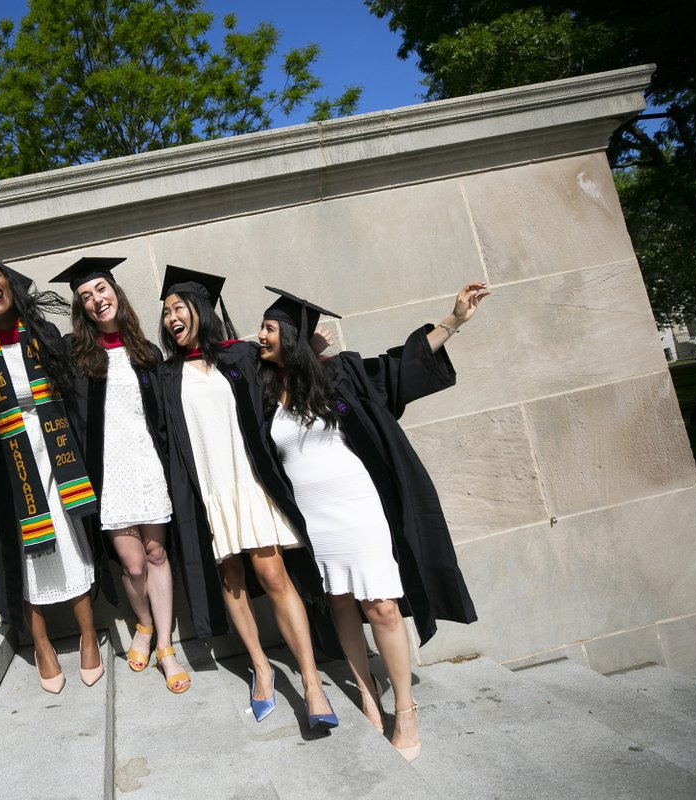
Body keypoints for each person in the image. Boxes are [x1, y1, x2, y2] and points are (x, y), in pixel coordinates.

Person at [255, 282, 488, 761]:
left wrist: (454, 319)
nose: (260, 335)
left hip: (358, 510)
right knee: (340, 604)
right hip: (315, 520)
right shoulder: (263, 392)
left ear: (292, 338)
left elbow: (399, 368)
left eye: (269, 327)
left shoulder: (339, 377)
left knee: (380, 607)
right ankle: (366, 690)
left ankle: (406, 708)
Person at [158, 265, 338, 728]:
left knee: (274, 575)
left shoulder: (239, 356)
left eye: (179, 308)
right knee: (231, 580)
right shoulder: (164, 376)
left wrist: (314, 351)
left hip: (249, 484)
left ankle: (313, 685)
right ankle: (261, 668)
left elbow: (287, 368)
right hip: (208, 492)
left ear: (200, 310)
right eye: (165, 313)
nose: (171, 318)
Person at [0, 253, 116, 694]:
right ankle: (40, 644)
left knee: (70, 537)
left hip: (57, 452)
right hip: (10, 462)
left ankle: (87, 635)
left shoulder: (44, 335)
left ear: (10, 287)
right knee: (25, 553)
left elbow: (76, 394)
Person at [51, 256, 190, 694]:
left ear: (116, 293)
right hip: (108, 472)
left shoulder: (145, 351)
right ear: (81, 308)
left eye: (102, 289)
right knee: (131, 565)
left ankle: (165, 647)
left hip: (148, 463)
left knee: (156, 556)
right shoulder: (75, 354)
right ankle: (143, 624)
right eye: (86, 296)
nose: (96, 299)